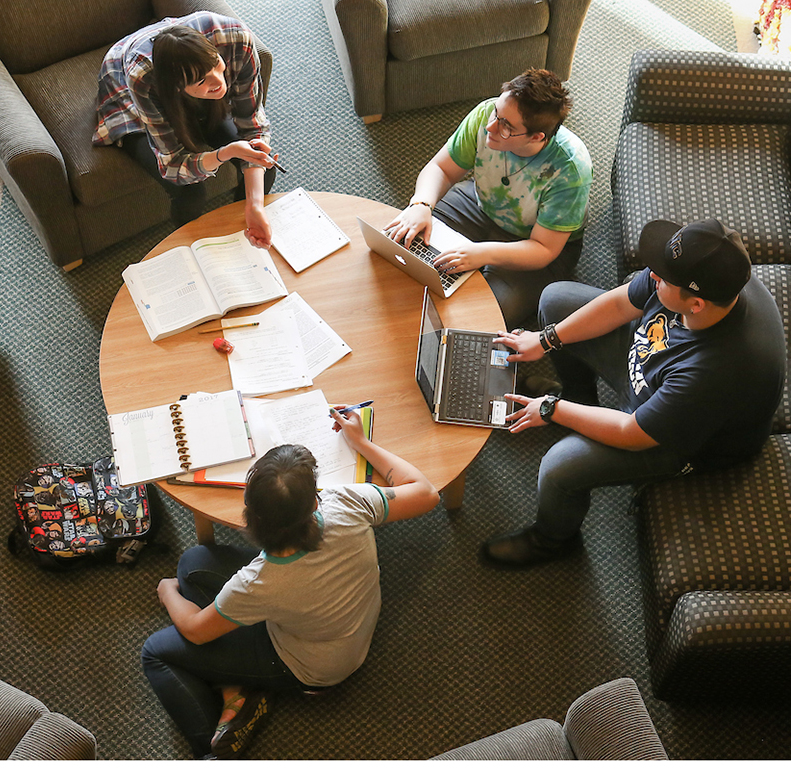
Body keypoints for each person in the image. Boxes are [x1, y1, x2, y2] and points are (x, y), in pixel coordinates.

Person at [480, 218, 786, 569]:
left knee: (558, 466)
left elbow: (633, 433)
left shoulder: (719, 370)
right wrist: (546, 339)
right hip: (650, 372)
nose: (650, 275)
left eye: (661, 277)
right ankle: (581, 400)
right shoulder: (694, 279)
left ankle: (552, 539)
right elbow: (619, 305)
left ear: (696, 304)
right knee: (556, 299)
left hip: (675, 438)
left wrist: (552, 410)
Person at [141, 407, 440, 759]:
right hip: (344, 624)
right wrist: (361, 442)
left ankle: (214, 751)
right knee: (193, 563)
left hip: (310, 669)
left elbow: (194, 629)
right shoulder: (347, 502)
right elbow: (425, 492)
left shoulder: (258, 583)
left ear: (250, 515)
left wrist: (167, 592)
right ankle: (239, 687)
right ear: (314, 500)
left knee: (155, 652)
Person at [386, 69, 592, 330]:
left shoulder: (570, 169)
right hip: (479, 204)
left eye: (507, 126)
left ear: (536, 136)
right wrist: (421, 204)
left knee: (477, 320)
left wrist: (480, 254)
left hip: (536, 244)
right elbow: (442, 168)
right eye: (497, 112)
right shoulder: (488, 114)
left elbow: (544, 249)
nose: (491, 126)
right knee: (403, 247)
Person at [93, 11, 279, 247]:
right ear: (176, 89)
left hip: (180, 64)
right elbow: (173, 166)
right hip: (123, 86)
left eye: (215, 64)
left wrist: (255, 205)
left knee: (264, 166)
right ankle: (193, 249)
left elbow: (252, 124)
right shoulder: (144, 79)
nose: (218, 82)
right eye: (201, 81)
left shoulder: (237, 40)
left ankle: (242, 232)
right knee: (190, 192)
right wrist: (226, 153)